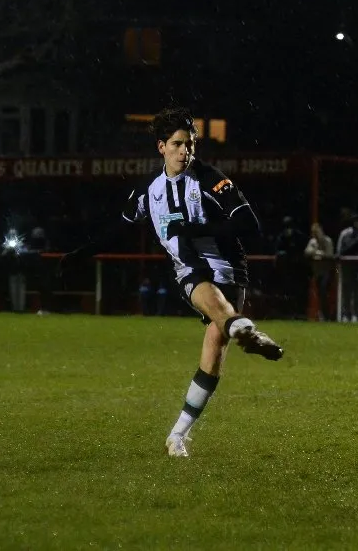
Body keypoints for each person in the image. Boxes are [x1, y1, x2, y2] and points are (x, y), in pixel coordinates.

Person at [63, 107, 283, 458]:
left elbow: (249, 225)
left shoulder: (211, 180)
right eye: (179, 144)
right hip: (189, 271)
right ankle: (247, 331)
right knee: (217, 311)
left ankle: (177, 435)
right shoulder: (149, 192)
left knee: (213, 352)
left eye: (191, 144)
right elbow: (119, 229)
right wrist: (79, 254)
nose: (186, 151)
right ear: (161, 147)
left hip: (229, 269)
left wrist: (196, 228)